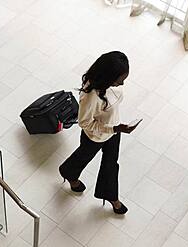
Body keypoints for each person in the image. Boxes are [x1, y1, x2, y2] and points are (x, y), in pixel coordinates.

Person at [59, 51, 141, 215]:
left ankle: (111, 197)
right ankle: (68, 173)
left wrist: (116, 128)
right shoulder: (90, 97)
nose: (122, 84)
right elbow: (84, 123)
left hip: (115, 129)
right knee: (83, 157)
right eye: (120, 80)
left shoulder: (109, 86)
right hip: (95, 136)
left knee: (111, 165)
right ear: (108, 76)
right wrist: (114, 129)